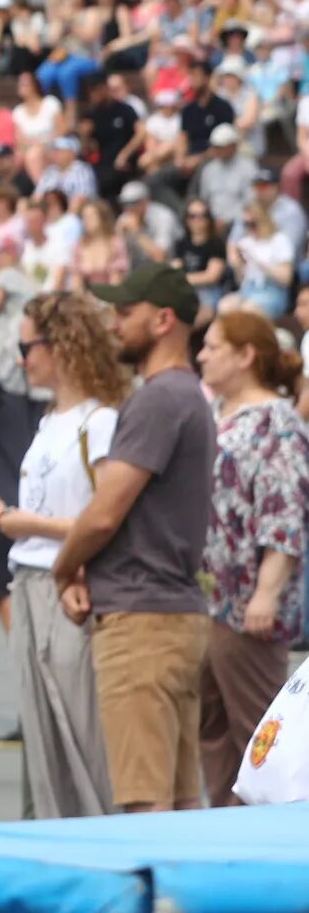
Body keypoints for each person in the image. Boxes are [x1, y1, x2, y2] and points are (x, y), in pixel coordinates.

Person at [60, 267, 218, 812]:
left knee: (144, 803)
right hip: (171, 611)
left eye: (125, 313)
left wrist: (64, 568)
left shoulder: (158, 399)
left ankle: (155, 901)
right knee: (176, 800)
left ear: (162, 319)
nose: (114, 324)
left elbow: (105, 512)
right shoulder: (186, 395)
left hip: (142, 618)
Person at [0, 293, 126, 819]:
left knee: (81, 735)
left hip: (68, 586)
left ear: (62, 345)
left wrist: (26, 524)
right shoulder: (49, 420)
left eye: (27, 346)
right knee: (42, 738)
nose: (21, 359)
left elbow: (107, 517)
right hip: (33, 579)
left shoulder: (99, 421)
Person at [191, 309, 305, 808]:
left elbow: (285, 513)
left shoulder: (276, 423)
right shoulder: (220, 416)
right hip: (209, 599)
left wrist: (267, 593)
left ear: (245, 356)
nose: (202, 355)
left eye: (214, 346)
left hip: (247, 607)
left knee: (263, 739)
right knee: (214, 737)